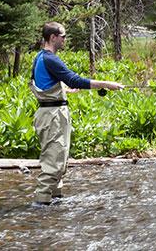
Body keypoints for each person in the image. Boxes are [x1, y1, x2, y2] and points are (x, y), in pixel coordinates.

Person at [30, 22, 124, 205]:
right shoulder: (50, 59)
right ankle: (40, 205)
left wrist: (63, 89)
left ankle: (54, 200)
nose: (65, 39)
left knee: (59, 159)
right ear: (53, 37)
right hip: (52, 116)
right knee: (54, 162)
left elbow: (43, 83)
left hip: (50, 113)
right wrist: (106, 84)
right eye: (63, 36)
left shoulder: (40, 57)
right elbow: (75, 79)